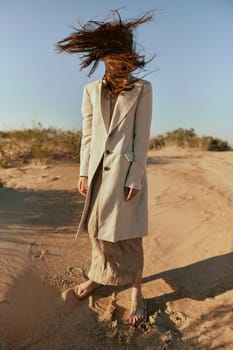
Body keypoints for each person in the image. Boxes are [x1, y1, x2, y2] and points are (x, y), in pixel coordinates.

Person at [56, 10, 154, 326]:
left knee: (128, 235)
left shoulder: (142, 89)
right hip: (98, 174)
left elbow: (142, 137)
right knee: (98, 231)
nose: (117, 65)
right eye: (112, 59)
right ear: (105, 58)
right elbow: (88, 134)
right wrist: (84, 171)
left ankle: (136, 292)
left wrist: (135, 176)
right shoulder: (90, 91)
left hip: (126, 175)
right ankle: (99, 276)